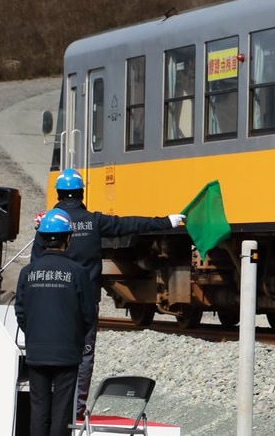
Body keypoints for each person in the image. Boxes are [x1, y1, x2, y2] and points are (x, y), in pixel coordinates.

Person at [32, 167, 185, 420]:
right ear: (81, 193)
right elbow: (130, 224)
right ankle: (76, 410)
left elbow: (36, 265)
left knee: (51, 353)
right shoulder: (94, 221)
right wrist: (166, 221)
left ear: (58, 193)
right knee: (84, 355)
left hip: (53, 304)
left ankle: (51, 410)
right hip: (85, 303)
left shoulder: (47, 227)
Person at [16, 208, 97, 436]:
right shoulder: (78, 272)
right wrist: (74, 337)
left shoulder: (27, 272)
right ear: (68, 238)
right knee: (61, 412)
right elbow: (89, 315)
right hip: (67, 353)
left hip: (37, 352)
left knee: (38, 409)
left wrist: (33, 334)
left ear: (41, 238)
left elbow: (21, 312)